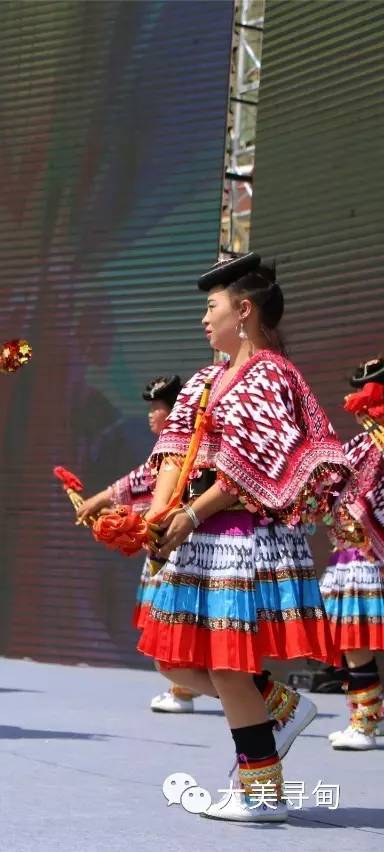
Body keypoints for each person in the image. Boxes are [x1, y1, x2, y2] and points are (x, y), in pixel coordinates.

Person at [136, 253, 349, 823]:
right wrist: (157, 516)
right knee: (173, 662)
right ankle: (280, 708)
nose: (205, 320)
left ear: (245, 310)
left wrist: (190, 514)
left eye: (212, 307)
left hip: (239, 535)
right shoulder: (206, 379)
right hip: (200, 537)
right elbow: (174, 452)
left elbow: (252, 460)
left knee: (228, 664)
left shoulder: (273, 374)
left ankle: (262, 793)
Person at [76, 375, 205, 714]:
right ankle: (183, 687)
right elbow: (140, 481)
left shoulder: (182, 447)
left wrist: (102, 500)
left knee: (176, 618)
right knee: (172, 620)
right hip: (169, 544)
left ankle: (189, 689)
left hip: (183, 544)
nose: (151, 414)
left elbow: (143, 482)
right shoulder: (168, 448)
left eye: (158, 408)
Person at [320, 356, 384, 751]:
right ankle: (365, 721)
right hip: (352, 555)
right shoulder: (361, 445)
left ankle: (365, 724)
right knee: (353, 640)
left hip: (369, 553)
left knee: (357, 640)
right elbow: (332, 479)